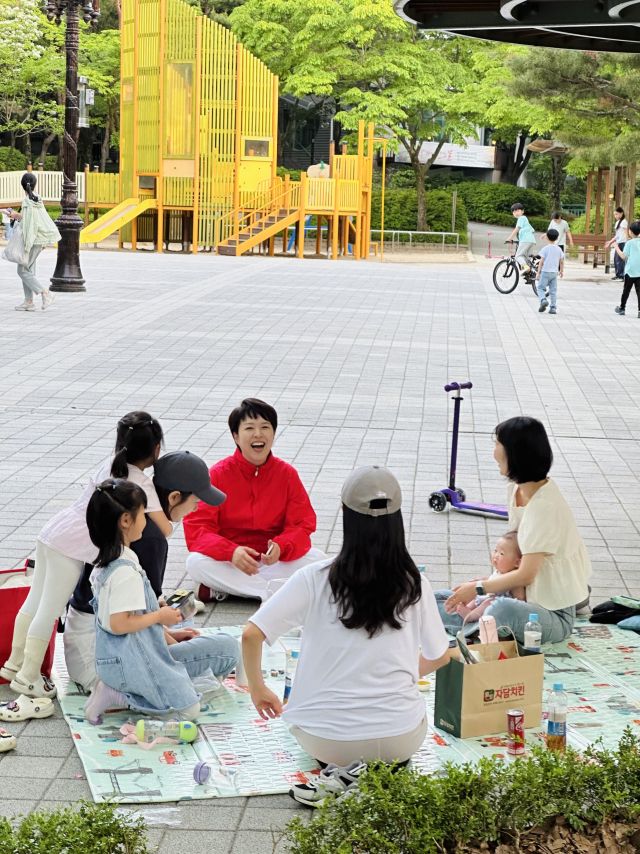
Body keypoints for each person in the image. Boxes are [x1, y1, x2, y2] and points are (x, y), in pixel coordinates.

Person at [242, 465, 450, 807]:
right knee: (399, 736)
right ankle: (372, 779)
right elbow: (440, 655)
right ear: (397, 519)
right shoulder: (415, 583)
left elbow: (252, 634)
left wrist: (258, 688)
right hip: (401, 739)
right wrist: (399, 673)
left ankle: (345, 777)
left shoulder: (314, 578)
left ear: (345, 516)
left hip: (326, 741)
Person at [0, 412, 172, 699]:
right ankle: (28, 678)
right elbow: (164, 528)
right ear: (156, 450)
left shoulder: (110, 464)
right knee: (50, 609)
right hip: (73, 545)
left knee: (34, 600)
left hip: (55, 529)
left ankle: (13, 665)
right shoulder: (140, 481)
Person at [63, 450, 226, 691]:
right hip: (104, 664)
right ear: (174, 497)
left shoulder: (122, 525)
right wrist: (168, 638)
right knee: (226, 649)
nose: (196, 508)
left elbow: (138, 611)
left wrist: (170, 635)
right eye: (196, 501)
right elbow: (137, 618)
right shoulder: (149, 538)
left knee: (190, 638)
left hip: (84, 647)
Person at [83, 480, 239, 724]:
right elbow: (120, 623)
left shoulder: (110, 562)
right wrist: (159, 617)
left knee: (227, 646)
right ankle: (119, 694)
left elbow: (136, 621)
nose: (147, 520)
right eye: (143, 514)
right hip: (131, 666)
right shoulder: (124, 572)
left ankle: (156, 687)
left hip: (133, 658)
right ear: (125, 520)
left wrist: (169, 635)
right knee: (188, 711)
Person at [440, 417, 591, 645]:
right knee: (438, 599)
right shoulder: (517, 489)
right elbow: (517, 560)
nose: (494, 453)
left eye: (497, 445)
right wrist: (488, 582)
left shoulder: (545, 506)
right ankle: (468, 626)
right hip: (516, 596)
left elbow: (526, 574)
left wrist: (480, 587)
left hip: (551, 613)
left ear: (515, 453)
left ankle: (469, 630)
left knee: (500, 610)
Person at [184, 398, 325, 601]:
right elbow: (198, 529)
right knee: (195, 563)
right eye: (249, 428)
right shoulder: (217, 474)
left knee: (318, 560)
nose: (258, 434)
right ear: (236, 436)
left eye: (265, 427)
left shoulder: (287, 474)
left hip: (273, 562)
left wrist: (281, 546)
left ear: (273, 434)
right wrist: (231, 551)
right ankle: (273, 593)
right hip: (232, 562)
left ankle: (226, 590)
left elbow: (303, 524)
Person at [4, 173, 60, 311]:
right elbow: (30, 219)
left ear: (22, 185)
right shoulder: (35, 198)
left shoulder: (28, 201)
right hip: (39, 238)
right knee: (28, 269)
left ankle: (45, 293)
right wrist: (16, 215)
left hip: (33, 239)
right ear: (34, 184)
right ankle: (28, 302)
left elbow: (30, 225)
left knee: (22, 270)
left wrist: (27, 245)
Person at [453, 531, 524, 623]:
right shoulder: (500, 571)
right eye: (495, 551)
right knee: (474, 596)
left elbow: (520, 600)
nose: (496, 556)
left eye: (501, 554)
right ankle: (466, 608)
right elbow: (492, 579)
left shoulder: (514, 577)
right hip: (485, 595)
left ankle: (470, 616)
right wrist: (483, 580)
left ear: (517, 563)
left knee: (489, 602)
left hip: (495, 604)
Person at [614, 220, 640, 318]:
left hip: (630, 271)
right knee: (639, 292)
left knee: (626, 290)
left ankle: (622, 308)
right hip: (639, 271)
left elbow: (624, 257)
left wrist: (616, 247)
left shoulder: (629, 243)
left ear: (630, 231)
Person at [536, 228, 564, 315]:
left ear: (547, 237)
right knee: (553, 291)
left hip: (545, 272)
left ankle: (543, 300)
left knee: (540, 288)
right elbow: (561, 261)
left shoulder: (545, 248)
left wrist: (538, 272)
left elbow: (541, 261)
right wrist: (561, 271)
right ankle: (553, 308)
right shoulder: (559, 249)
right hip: (554, 273)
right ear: (557, 238)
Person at [507, 202, 536, 273]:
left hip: (525, 240)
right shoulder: (525, 220)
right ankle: (530, 275)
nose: (516, 212)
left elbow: (517, 229)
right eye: (514, 211)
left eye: (518, 210)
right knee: (527, 258)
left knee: (518, 256)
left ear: (522, 211)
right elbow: (532, 230)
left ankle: (526, 268)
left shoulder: (521, 218)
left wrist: (510, 238)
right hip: (531, 241)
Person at [606, 206, 628, 281]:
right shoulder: (617, 222)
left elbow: (626, 232)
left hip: (623, 242)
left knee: (620, 260)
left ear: (621, 213)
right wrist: (610, 242)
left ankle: (621, 275)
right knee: (616, 259)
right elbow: (617, 235)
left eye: (617, 214)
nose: (615, 216)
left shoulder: (624, 222)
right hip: (618, 242)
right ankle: (618, 274)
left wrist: (627, 241)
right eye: (614, 214)